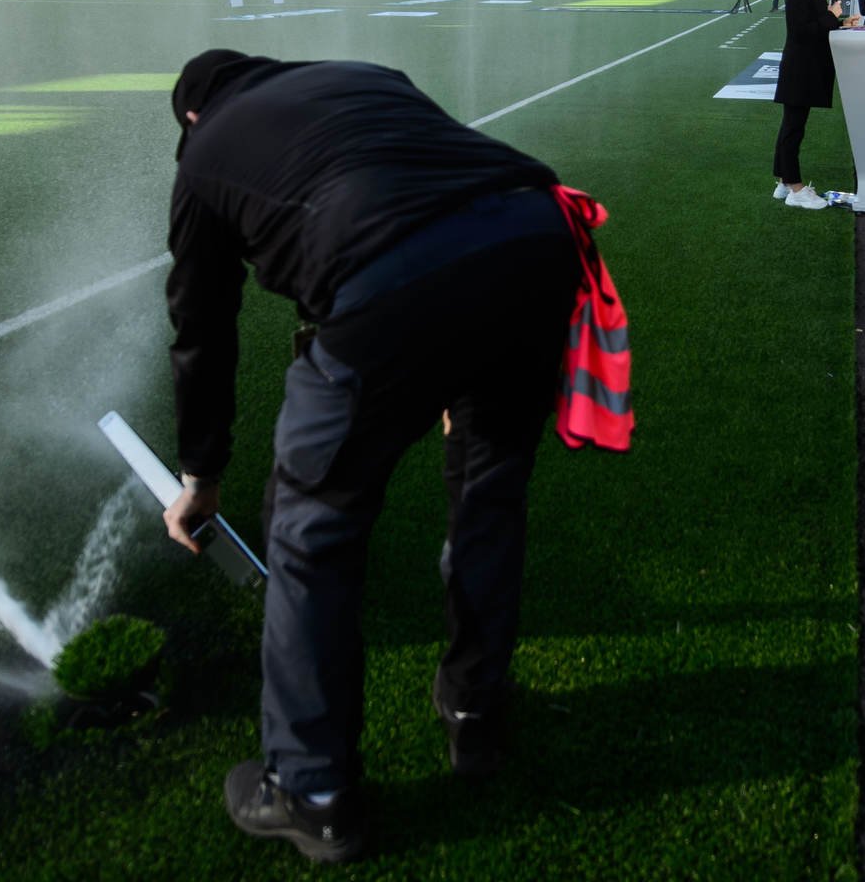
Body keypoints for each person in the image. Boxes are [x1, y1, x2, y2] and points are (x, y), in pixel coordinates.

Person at [160, 49, 584, 862]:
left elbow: (202, 330)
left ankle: (313, 791)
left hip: (393, 279)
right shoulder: (361, 75)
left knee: (310, 534)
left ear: (190, 117)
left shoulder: (205, 152)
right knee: (489, 490)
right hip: (535, 234)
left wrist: (201, 477)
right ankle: (477, 712)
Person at [772, 0, 862, 208]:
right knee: (793, 128)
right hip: (801, 68)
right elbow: (801, 31)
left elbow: (815, 24)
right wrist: (832, 17)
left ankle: (783, 182)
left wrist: (840, 23)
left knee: (792, 126)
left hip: (806, 67)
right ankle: (796, 189)